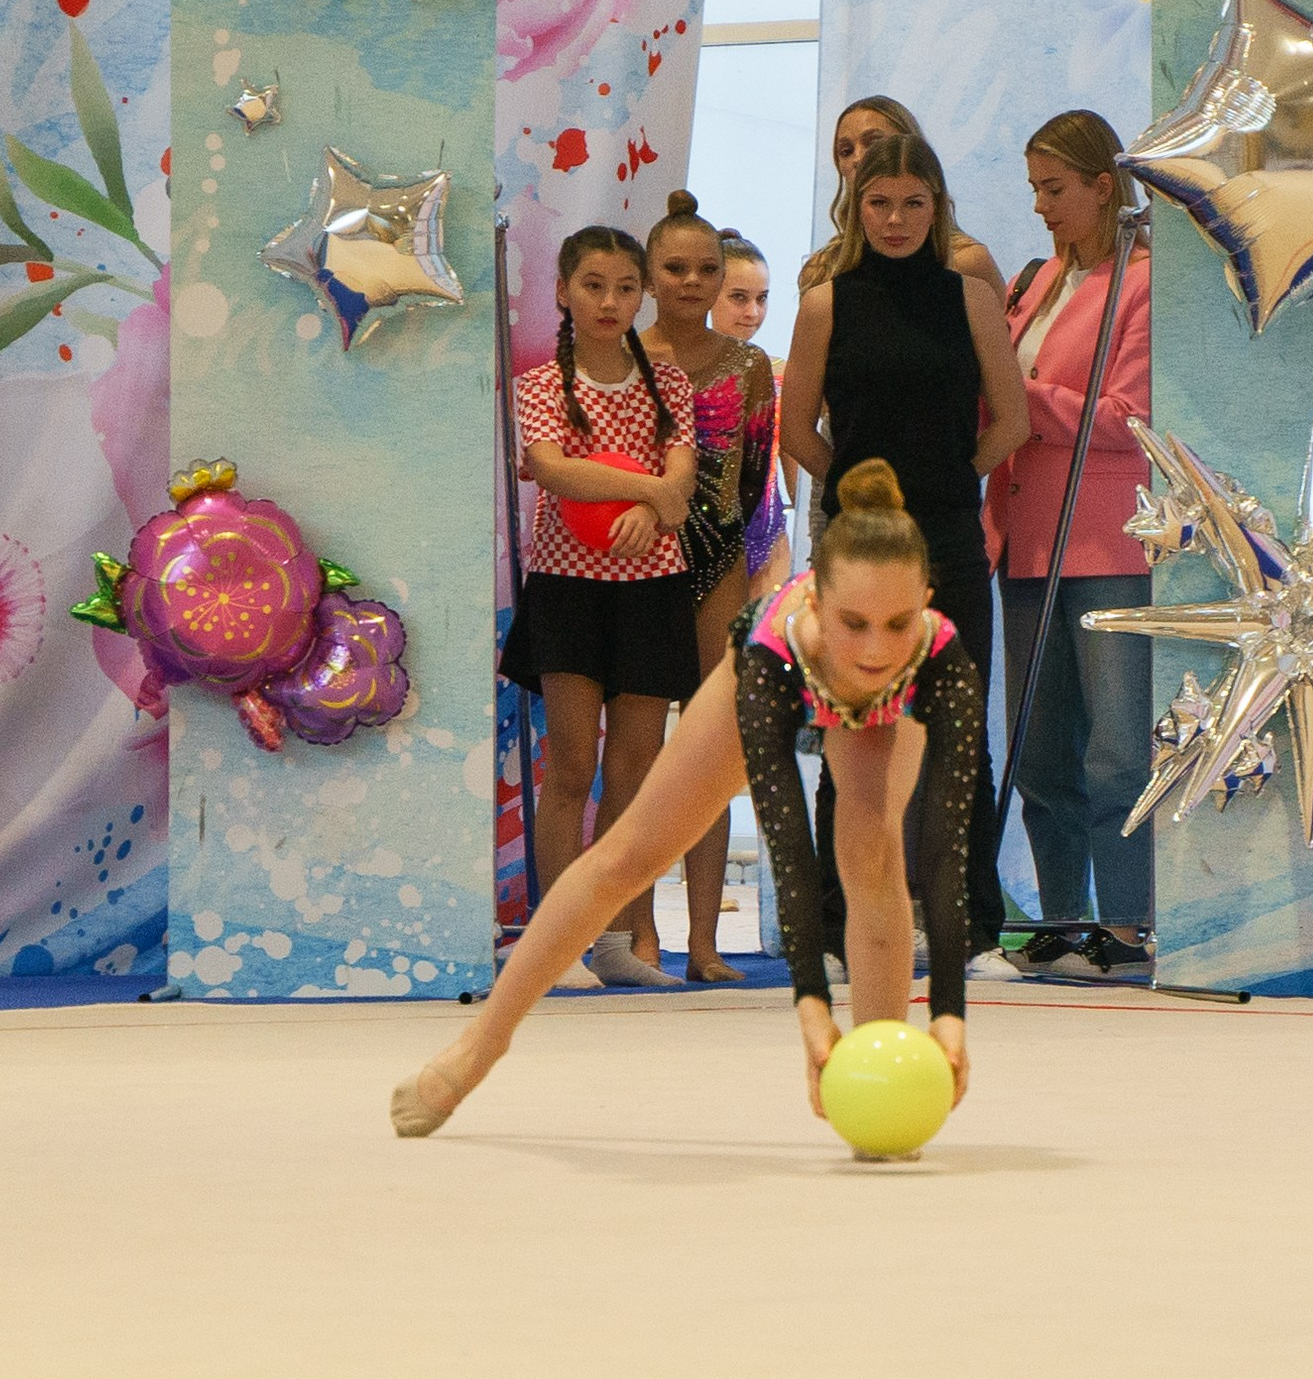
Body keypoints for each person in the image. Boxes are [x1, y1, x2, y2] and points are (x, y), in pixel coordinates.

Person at [395, 459, 983, 1139]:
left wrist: (950, 1015)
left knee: (875, 856)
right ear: (817, 605)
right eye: (854, 623)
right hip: (781, 673)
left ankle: (878, 1075)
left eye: (898, 623)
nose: (876, 650)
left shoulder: (940, 663)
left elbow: (945, 860)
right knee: (627, 858)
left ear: (927, 604)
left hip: (883, 715)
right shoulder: (772, 657)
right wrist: (812, 1011)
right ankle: (479, 1047)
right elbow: (789, 846)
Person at [783, 134, 1031, 985]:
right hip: (858, 548)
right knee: (849, 730)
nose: (895, 220)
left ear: (938, 207)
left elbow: (1012, 420)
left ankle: (977, 931)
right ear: (856, 207)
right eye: (879, 203)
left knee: (961, 733)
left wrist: (952, 483)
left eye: (912, 203)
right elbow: (796, 429)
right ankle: (831, 931)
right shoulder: (825, 303)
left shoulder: (972, 297)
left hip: (951, 543)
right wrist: (861, 496)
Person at [499, 225, 699, 991]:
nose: (609, 301)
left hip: (651, 590)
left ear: (641, 294)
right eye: (593, 285)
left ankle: (617, 938)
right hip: (570, 589)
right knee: (573, 765)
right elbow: (555, 470)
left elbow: (682, 481)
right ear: (562, 291)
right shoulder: (542, 384)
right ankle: (557, 942)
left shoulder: (668, 384)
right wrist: (651, 492)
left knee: (635, 773)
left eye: (624, 287)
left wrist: (655, 509)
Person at [989, 111, 1156, 980]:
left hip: (1110, 547)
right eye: (1034, 191)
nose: (1041, 207)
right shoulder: (1035, 280)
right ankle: (1061, 921)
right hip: (1025, 542)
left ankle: (1128, 926)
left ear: (1102, 185)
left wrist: (1021, 397)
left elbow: (1129, 421)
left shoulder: (1146, 282)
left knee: (1118, 752)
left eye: (1055, 189)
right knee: (1041, 752)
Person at [635, 193, 780, 984]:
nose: (691, 282)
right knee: (634, 753)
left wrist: (739, 566)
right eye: (676, 268)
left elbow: (754, 480)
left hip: (718, 561)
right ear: (650, 274)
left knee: (709, 751)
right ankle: (638, 934)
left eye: (705, 270)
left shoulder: (748, 366)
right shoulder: (624, 353)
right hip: (633, 561)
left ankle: (702, 940)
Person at [800, 96, 1006, 300]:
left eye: (873, 144)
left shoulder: (967, 262)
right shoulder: (822, 270)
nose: (858, 158)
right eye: (846, 151)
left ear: (911, 149)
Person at [712, 229, 798, 598]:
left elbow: (794, 467)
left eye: (762, 299)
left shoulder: (781, 373)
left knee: (760, 633)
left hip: (767, 540)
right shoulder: (678, 372)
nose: (753, 312)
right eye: (739, 298)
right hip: (694, 538)